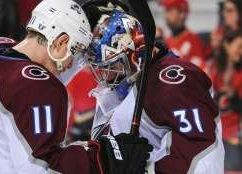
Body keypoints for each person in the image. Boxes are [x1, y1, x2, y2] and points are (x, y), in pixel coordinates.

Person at [0, 0, 152, 174]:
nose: (73, 63)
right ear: (61, 41)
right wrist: (105, 157)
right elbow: (43, 167)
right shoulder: (39, 88)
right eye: (78, 52)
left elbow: (29, 74)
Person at [83, 7, 225, 174]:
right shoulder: (124, 86)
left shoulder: (174, 83)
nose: (107, 76)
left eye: (112, 66)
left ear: (134, 56)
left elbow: (201, 152)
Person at [207, 30, 242, 170]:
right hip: (216, 136)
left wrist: (234, 96)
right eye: (239, 46)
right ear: (227, 45)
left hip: (235, 138)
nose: (241, 51)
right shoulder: (214, 69)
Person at [160, 0, 206, 70]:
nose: (165, 15)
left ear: (182, 14)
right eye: (166, 11)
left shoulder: (193, 40)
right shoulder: (166, 40)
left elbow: (199, 72)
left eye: (169, 10)